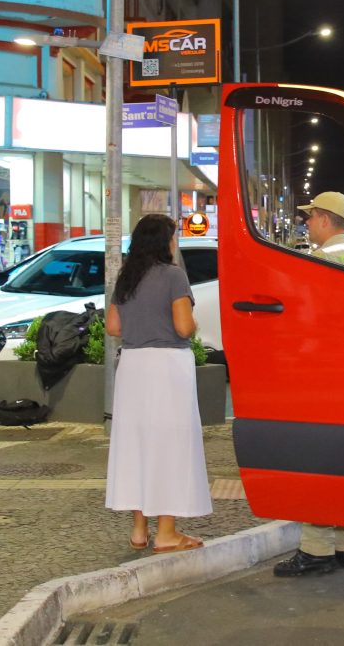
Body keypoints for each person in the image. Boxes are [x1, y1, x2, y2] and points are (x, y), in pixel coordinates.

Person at [105, 213, 211, 553]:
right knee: (170, 446)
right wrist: (193, 322)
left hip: (133, 367)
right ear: (164, 242)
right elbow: (183, 327)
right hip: (167, 368)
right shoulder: (173, 276)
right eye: (173, 237)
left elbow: (113, 327)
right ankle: (166, 532)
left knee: (137, 445)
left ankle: (139, 530)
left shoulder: (126, 277)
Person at [274, 191, 344, 577]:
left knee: (318, 463)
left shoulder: (317, 263)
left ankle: (316, 551)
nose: (307, 223)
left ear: (326, 220)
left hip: (322, 377)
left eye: (311, 218)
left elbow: (303, 323)